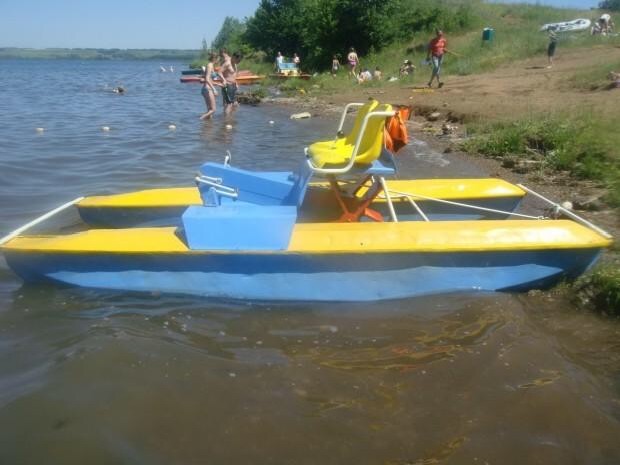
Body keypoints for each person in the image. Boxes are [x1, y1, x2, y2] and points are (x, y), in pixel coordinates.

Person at [200, 53, 222, 120]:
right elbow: (207, 78)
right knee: (213, 110)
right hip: (207, 89)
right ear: (214, 58)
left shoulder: (211, 65)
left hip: (206, 89)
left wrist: (218, 84)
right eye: (218, 59)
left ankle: (208, 127)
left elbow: (209, 79)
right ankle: (200, 120)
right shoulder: (210, 65)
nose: (218, 61)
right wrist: (214, 89)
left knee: (210, 111)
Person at [219, 49, 237, 114]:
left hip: (233, 84)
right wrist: (223, 80)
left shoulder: (233, 62)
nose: (221, 55)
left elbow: (234, 74)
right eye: (221, 53)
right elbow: (220, 72)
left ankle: (230, 118)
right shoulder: (224, 62)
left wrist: (236, 83)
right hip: (227, 84)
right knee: (227, 103)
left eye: (222, 53)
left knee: (233, 103)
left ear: (226, 53)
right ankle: (226, 120)